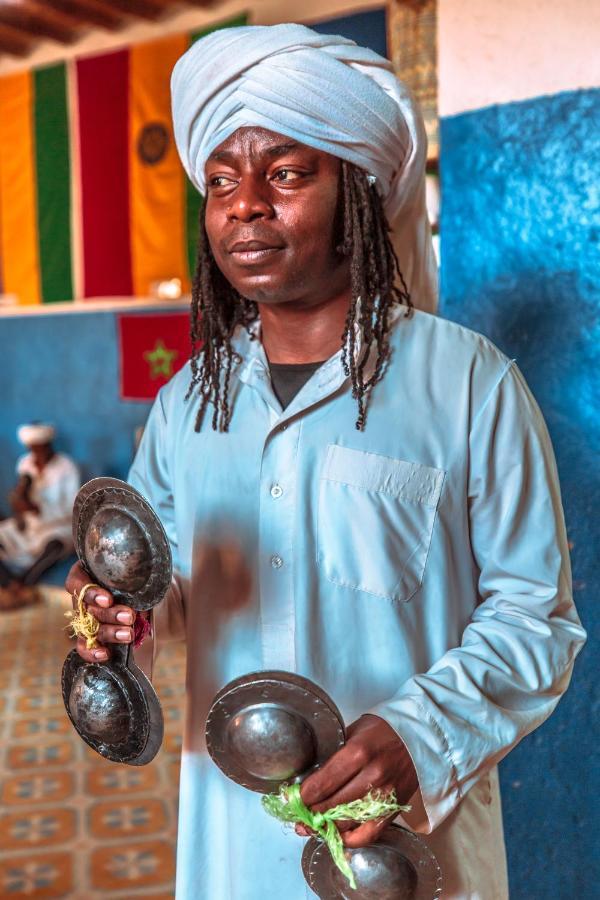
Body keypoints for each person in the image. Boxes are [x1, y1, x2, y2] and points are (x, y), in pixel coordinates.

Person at [66, 24, 586, 899]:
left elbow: (537, 618)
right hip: (231, 847)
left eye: (287, 172)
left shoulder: (467, 383)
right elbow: (174, 591)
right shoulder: (188, 402)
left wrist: (420, 735)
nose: (244, 206)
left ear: (358, 190)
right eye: (222, 181)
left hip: (410, 846)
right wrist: (118, 617)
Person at [0, 423, 80, 609]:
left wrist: (38, 509)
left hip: (57, 524)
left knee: (56, 545)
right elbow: (22, 496)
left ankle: (25, 583)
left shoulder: (66, 467)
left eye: (41, 448)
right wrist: (19, 507)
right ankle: (10, 584)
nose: (36, 454)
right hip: (30, 525)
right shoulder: (25, 463)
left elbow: (72, 507)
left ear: (49, 444)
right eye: (32, 449)